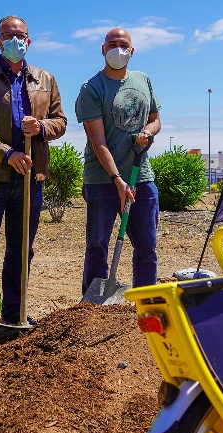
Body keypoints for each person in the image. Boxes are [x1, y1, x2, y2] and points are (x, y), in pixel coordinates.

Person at [0, 14, 67, 340]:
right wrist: (7, 152)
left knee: (22, 250)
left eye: (20, 36)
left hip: (30, 181)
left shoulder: (45, 79)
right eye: (7, 35)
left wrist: (42, 128)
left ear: (29, 41)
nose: (14, 40)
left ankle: (13, 314)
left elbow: (60, 121)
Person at [75, 28, 162, 294]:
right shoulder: (92, 88)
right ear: (103, 50)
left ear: (132, 51)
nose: (118, 49)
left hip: (141, 177)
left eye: (123, 44)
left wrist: (148, 132)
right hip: (103, 180)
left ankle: (144, 302)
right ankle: (91, 312)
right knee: (97, 247)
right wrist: (117, 180)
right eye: (112, 44)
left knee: (147, 246)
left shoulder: (143, 79)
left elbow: (155, 119)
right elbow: (98, 142)